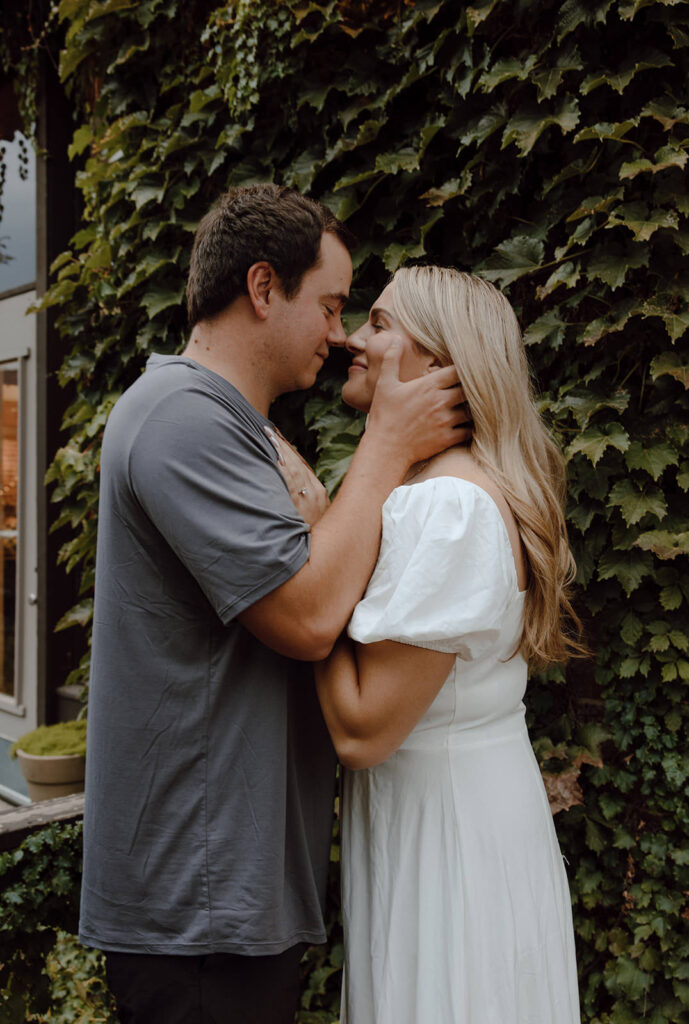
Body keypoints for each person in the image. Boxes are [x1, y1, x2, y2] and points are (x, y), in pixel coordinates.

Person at [78, 185, 469, 1024]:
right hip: (198, 905)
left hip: (224, 895)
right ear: (262, 289)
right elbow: (307, 618)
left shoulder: (227, 424)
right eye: (329, 304)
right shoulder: (181, 419)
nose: (339, 333)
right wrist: (388, 445)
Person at [308, 266, 583, 1023]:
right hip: (465, 819)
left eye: (381, 323)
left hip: (447, 845)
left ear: (436, 366)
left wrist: (306, 582)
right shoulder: (445, 489)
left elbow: (363, 730)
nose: (353, 340)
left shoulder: (448, 507)